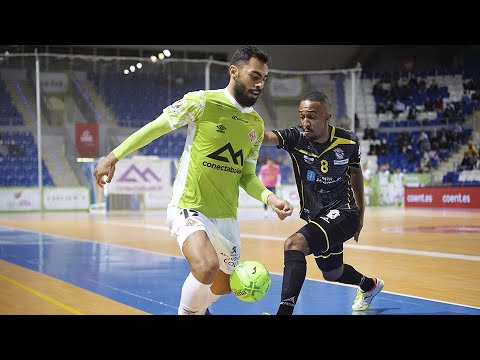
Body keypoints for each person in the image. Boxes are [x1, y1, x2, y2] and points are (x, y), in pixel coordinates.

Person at [93, 45, 294, 315]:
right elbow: (156, 128)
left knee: (224, 286)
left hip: (226, 217)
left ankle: (197, 311)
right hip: (190, 206)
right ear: (234, 71)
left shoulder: (255, 125)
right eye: (254, 76)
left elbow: (246, 175)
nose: (259, 84)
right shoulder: (202, 102)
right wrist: (113, 156)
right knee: (206, 266)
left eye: (264, 79)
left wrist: (270, 198)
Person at [262, 91, 383, 315]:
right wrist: (245, 131)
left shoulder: (348, 141)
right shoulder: (296, 137)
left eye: (312, 117)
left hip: (344, 213)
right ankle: (370, 285)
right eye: (302, 117)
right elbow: (267, 137)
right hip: (317, 216)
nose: (305, 123)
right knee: (332, 273)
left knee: (294, 244)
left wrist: (361, 215)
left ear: (327, 116)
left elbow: (355, 174)